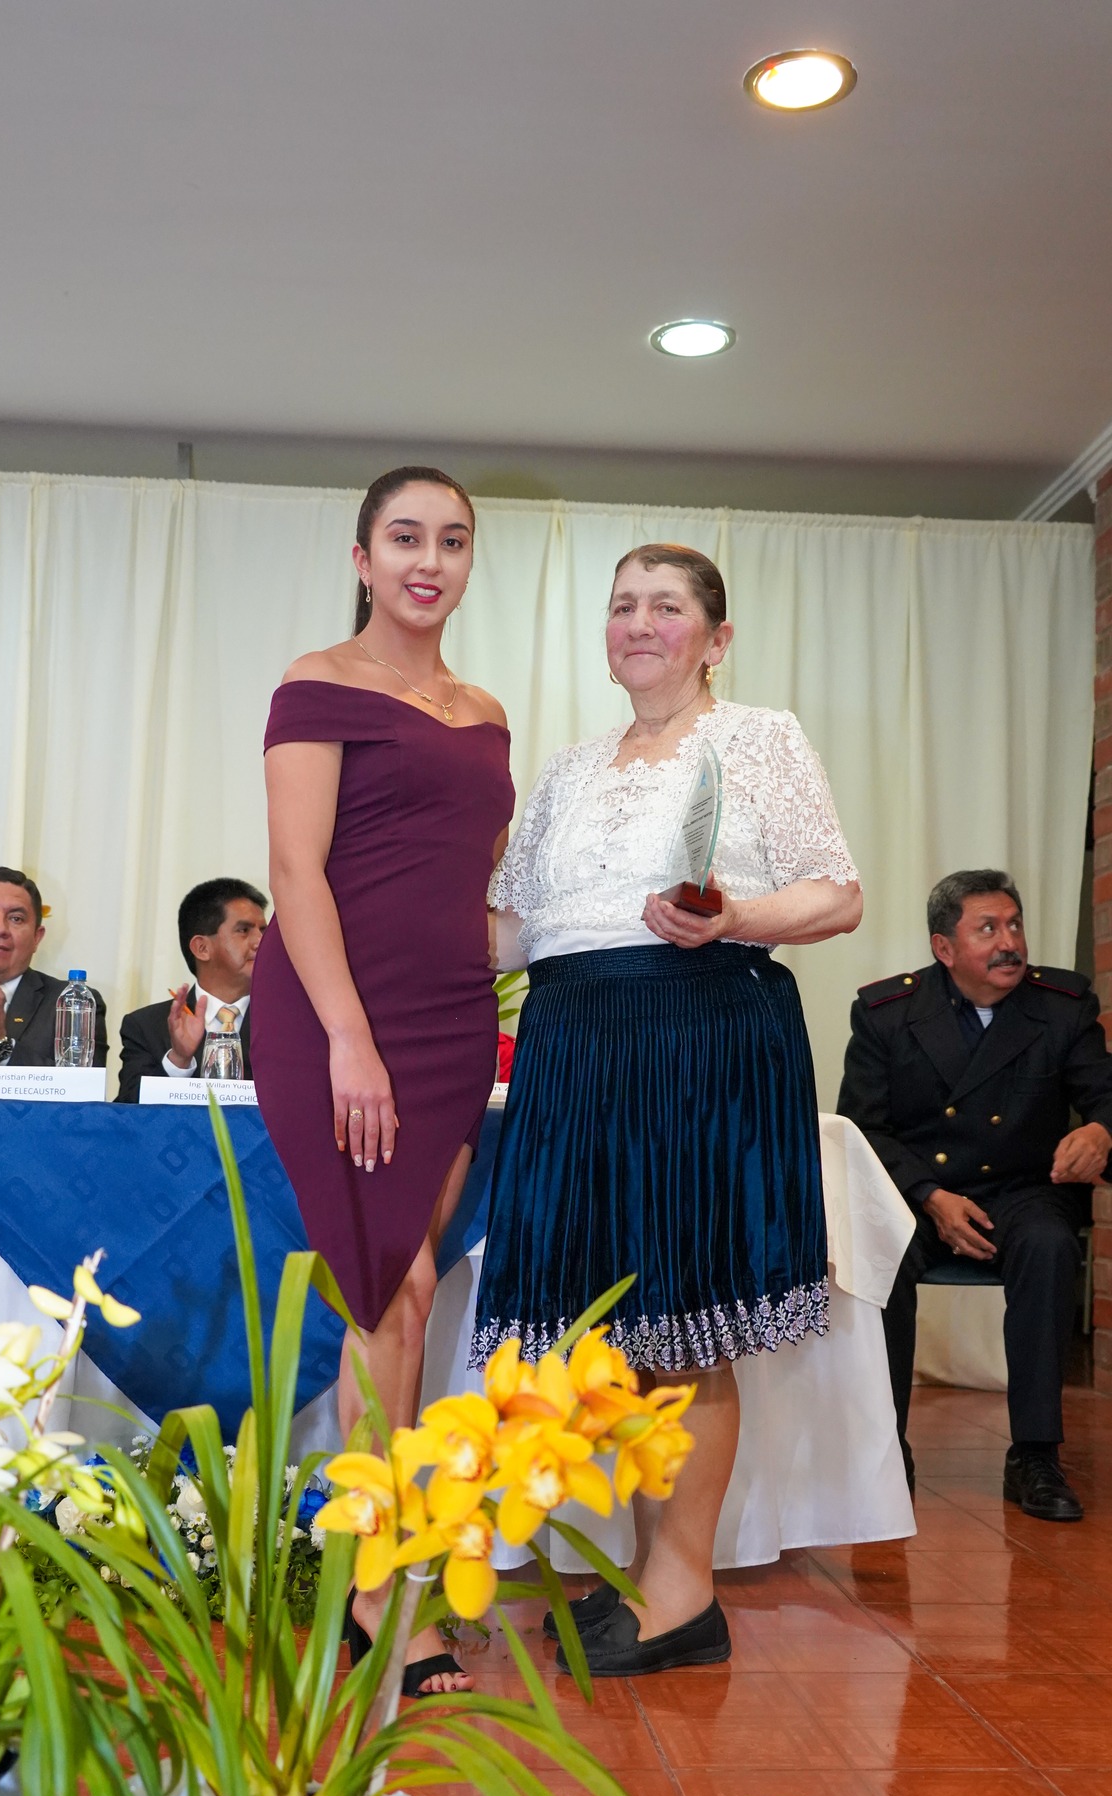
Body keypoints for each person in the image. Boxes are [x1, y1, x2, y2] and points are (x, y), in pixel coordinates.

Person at [476, 542, 861, 1677]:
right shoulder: (566, 769)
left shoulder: (761, 737)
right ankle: (657, 1573)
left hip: (701, 1032)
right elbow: (512, 932)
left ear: (716, 637)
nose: (639, 623)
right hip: (572, 1042)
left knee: (686, 1316)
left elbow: (836, 893)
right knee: (620, 1326)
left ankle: (683, 1591)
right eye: (622, 606)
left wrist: (733, 913)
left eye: (666, 606)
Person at [251, 465, 513, 1694]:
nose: (429, 560)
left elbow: (473, 880)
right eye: (405, 537)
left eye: (451, 540)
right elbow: (295, 873)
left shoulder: (484, 711)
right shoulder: (316, 683)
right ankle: (383, 1590)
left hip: (451, 1021)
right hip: (332, 1019)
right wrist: (349, 1037)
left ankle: (377, 1577)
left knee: (410, 1290)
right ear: (363, 557)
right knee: (389, 1289)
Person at [837, 869, 1112, 1521]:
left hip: (1022, 1192)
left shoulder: (1063, 1006)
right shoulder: (887, 1014)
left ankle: (1036, 1455)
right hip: (918, 1195)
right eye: (987, 929)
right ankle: (886, 1450)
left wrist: (1101, 1130)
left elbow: (1105, 1098)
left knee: (1049, 1245)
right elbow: (862, 1128)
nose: (1008, 942)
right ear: (944, 948)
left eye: (1013, 925)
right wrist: (930, 1195)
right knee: (881, 1252)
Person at [116, 879, 268, 1102]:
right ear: (202, 948)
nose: (260, 941)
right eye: (244, 930)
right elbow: (128, 1111)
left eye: (263, 930)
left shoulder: (289, 1022)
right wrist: (179, 1060)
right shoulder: (146, 1026)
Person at [0, 866, 107, 1065]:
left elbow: (82, 1081)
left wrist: (0, 1046)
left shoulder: (73, 1003)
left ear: (37, 937)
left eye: (16, 918)